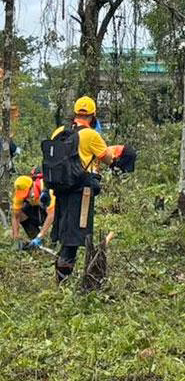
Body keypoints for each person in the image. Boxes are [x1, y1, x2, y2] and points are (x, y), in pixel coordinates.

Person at [45, 96, 127, 283]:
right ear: (92, 115)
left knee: (66, 231)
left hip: (61, 189)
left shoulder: (59, 131)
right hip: (82, 191)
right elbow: (107, 158)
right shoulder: (91, 135)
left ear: (75, 113)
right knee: (74, 235)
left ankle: (61, 277)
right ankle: (63, 281)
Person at [10, 171, 54, 248]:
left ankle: (53, 241)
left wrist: (40, 236)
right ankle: (34, 237)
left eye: (27, 193)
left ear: (32, 187)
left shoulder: (46, 187)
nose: (26, 197)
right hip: (37, 210)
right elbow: (15, 216)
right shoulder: (19, 194)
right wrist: (15, 237)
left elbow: (52, 214)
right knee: (21, 214)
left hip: (53, 211)